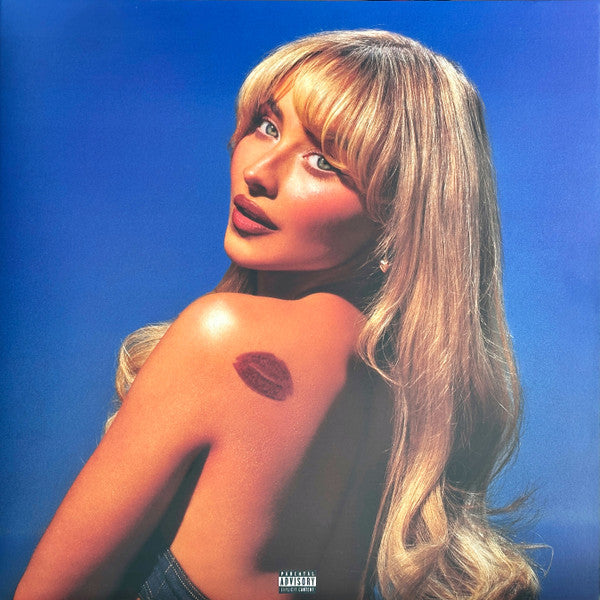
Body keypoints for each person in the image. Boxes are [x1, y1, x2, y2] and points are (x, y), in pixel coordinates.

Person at [15, 29, 539, 600]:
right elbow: (305, 582)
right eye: (267, 126)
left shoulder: (223, 335)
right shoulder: (407, 392)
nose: (259, 171)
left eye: (322, 161)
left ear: (398, 219)